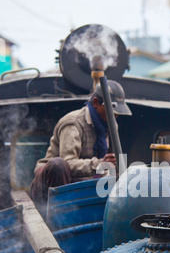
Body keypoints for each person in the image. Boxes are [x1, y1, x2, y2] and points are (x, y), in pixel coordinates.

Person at [30, 80, 131, 214]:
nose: (115, 116)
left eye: (117, 113)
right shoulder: (73, 123)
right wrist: (99, 164)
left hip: (82, 181)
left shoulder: (110, 125)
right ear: (96, 103)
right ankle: (57, 215)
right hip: (51, 182)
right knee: (58, 165)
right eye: (111, 112)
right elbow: (68, 163)